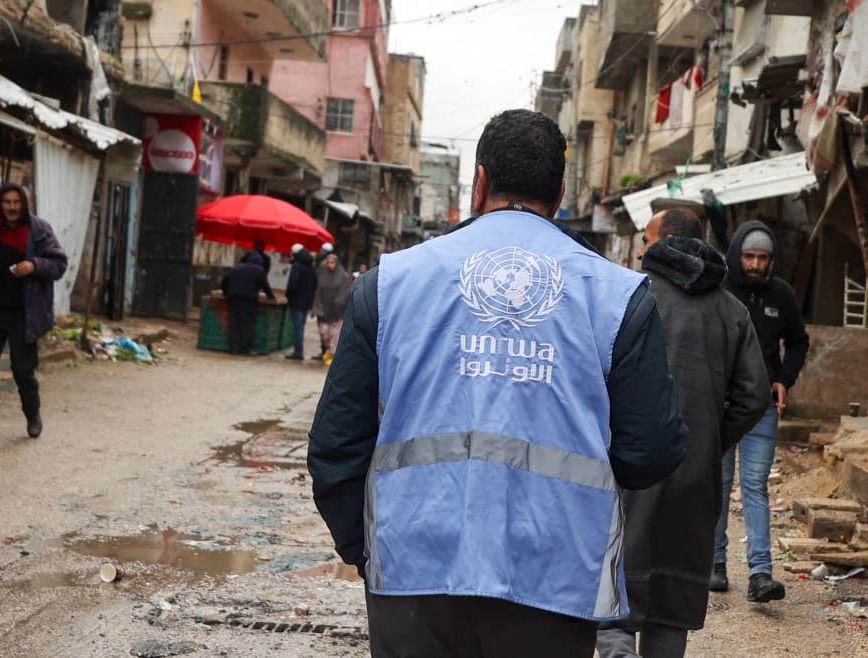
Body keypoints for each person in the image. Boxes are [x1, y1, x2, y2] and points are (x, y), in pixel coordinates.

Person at [308, 109, 688, 657]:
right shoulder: (618, 295)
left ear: (478, 182)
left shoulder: (388, 285)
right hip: (556, 573)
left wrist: (368, 547)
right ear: (558, 194)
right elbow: (653, 448)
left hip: (413, 566)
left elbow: (333, 446)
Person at [596, 208, 769, 658]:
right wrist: (708, 440)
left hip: (628, 470)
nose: (640, 249)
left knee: (616, 597)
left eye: (646, 240)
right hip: (695, 477)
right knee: (672, 607)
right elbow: (754, 397)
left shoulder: (629, 297)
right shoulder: (732, 310)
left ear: (664, 240)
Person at [711, 219, 810, 602]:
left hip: (762, 408)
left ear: (772, 260)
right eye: (749, 256)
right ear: (737, 254)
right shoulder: (719, 288)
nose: (755, 264)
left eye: (763, 258)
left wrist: (785, 378)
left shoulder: (781, 295)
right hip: (720, 406)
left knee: (755, 487)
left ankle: (760, 574)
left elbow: (799, 342)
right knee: (717, 485)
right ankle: (714, 564)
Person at [0, 183, 68, 442]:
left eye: (16, 202)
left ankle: (33, 415)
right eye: (7, 202)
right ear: (0, 204)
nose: (11, 207)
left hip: (25, 313)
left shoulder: (39, 230)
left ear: (24, 204)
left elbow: (59, 263)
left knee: (22, 369)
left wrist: (33, 265)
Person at [221, 251, 274, 355]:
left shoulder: (236, 268)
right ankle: (245, 349)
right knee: (247, 325)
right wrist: (270, 296)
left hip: (233, 299)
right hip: (248, 301)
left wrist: (227, 293)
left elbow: (224, 281)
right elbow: (265, 285)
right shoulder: (259, 270)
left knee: (233, 324)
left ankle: (233, 349)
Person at [311, 253, 352, 363]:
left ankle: (331, 356)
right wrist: (316, 307)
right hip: (323, 310)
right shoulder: (322, 274)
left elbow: (345, 292)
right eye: (328, 262)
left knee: (334, 336)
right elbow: (318, 292)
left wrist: (339, 303)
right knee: (323, 333)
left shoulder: (342, 276)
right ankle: (325, 350)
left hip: (337, 312)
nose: (330, 265)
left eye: (332, 262)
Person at [285, 244, 318, 361]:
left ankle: (298, 352)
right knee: (301, 327)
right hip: (307, 302)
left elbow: (292, 285)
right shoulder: (311, 268)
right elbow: (315, 285)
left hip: (297, 302)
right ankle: (298, 349)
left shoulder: (297, 267)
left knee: (297, 328)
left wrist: (288, 296)